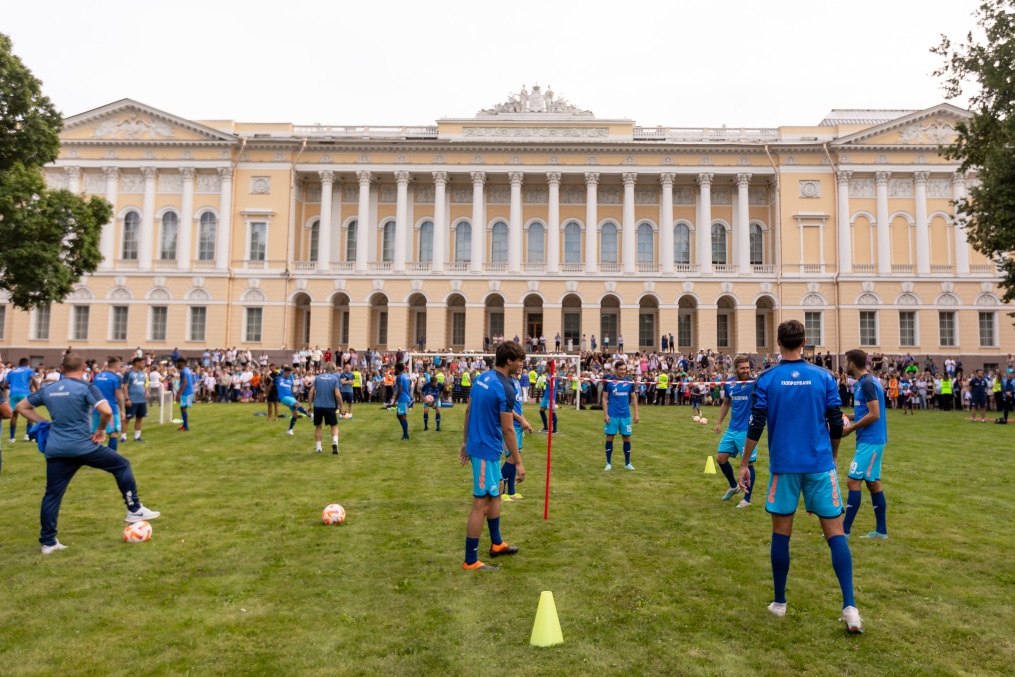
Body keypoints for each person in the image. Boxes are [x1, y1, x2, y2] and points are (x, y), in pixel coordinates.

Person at [737, 320, 862, 633]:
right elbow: (836, 423)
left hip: (785, 467)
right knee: (835, 533)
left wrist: (743, 463)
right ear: (805, 341)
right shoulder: (823, 376)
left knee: (782, 533)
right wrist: (833, 453)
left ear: (778, 342)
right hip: (819, 465)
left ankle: (780, 603)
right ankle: (850, 607)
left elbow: (755, 425)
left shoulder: (767, 378)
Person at [15, 353, 160, 554]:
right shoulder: (86, 387)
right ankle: (134, 508)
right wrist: (101, 429)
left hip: (56, 449)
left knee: (52, 495)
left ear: (62, 368)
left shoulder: (49, 388)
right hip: (82, 446)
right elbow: (107, 411)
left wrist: (44, 422)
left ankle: (48, 542)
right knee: (122, 465)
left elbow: (21, 406)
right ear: (84, 367)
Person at [459, 342, 526, 571]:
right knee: (481, 504)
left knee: (496, 493)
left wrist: (464, 441)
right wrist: (518, 462)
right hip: (486, 451)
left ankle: (497, 544)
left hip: (482, 446)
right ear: (509, 361)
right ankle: (470, 560)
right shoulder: (505, 387)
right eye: (519, 360)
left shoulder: (481, 378)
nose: (521, 364)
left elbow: (468, 410)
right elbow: (508, 429)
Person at [841, 349, 889, 540]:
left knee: (853, 481)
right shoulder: (863, 382)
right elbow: (865, 412)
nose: (845, 364)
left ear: (852, 363)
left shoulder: (868, 383)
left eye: (846, 361)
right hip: (869, 439)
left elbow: (875, 414)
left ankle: (843, 530)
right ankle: (881, 531)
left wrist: (851, 429)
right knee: (873, 483)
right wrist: (846, 416)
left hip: (871, 440)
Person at [713, 355, 756, 508]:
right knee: (720, 458)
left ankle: (747, 499)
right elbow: (726, 403)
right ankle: (733, 486)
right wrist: (719, 422)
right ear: (735, 369)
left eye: (748, 368)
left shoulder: (754, 383)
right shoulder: (730, 384)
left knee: (748, 464)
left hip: (747, 430)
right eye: (742, 368)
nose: (746, 371)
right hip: (732, 429)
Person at [602, 360, 638, 471]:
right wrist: (605, 413)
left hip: (625, 415)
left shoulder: (629, 382)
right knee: (610, 437)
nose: (623, 371)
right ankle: (608, 463)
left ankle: (627, 463)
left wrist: (636, 413)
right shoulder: (609, 382)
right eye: (621, 369)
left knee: (627, 438)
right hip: (612, 414)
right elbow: (604, 398)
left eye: (624, 369)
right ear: (616, 369)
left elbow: (633, 398)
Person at [309, 362, 343, 454]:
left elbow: (311, 391)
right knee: (334, 426)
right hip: (330, 405)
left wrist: (309, 405)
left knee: (318, 426)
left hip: (318, 405)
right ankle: (335, 441)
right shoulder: (335, 378)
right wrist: (342, 406)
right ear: (334, 369)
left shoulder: (318, 378)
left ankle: (318, 448)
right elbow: (337, 394)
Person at [92, 358, 125, 451]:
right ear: (116, 366)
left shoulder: (97, 376)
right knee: (113, 432)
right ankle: (112, 456)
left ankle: (93, 457)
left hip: (97, 409)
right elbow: (118, 395)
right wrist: (122, 410)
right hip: (111, 409)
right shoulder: (117, 377)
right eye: (119, 366)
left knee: (96, 432)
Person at [5, 357, 37, 443]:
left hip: (13, 394)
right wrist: (38, 390)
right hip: (24, 393)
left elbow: (5, 385)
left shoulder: (12, 371)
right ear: (27, 364)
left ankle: (12, 438)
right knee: (29, 414)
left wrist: (12, 387)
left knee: (14, 415)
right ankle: (28, 435)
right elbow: (34, 380)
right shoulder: (28, 370)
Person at [277, 366, 310, 436]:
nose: (289, 374)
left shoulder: (290, 380)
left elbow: (291, 388)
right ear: (285, 372)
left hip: (290, 396)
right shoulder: (279, 378)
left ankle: (290, 430)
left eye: (290, 373)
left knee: (295, 415)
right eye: (288, 373)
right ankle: (310, 415)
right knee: (297, 404)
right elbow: (272, 383)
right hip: (284, 397)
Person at [122, 357, 149, 443]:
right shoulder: (129, 373)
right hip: (132, 400)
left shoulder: (143, 373)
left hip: (142, 400)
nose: (143, 364)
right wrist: (127, 399)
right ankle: (123, 437)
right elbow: (125, 387)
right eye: (142, 363)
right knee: (127, 419)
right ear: (136, 363)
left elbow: (145, 384)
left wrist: (147, 392)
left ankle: (137, 436)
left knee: (139, 418)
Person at [393, 362, 412, 440]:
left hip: (403, 398)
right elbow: (410, 384)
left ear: (397, 369)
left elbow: (400, 389)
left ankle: (406, 435)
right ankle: (405, 434)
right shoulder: (406, 376)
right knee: (399, 415)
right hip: (406, 397)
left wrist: (395, 400)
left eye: (395, 368)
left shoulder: (399, 377)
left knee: (402, 417)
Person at [175, 358, 195, 432]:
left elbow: (184, 383)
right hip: (190, 391)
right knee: (184, 408)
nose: (177, 365)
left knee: (183, 408)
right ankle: (184, 425)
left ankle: (185, 426)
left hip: (186, 392)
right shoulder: (188, 370)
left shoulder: (183, 371)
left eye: (177, 363)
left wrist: (179, 393)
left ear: (181, 363)